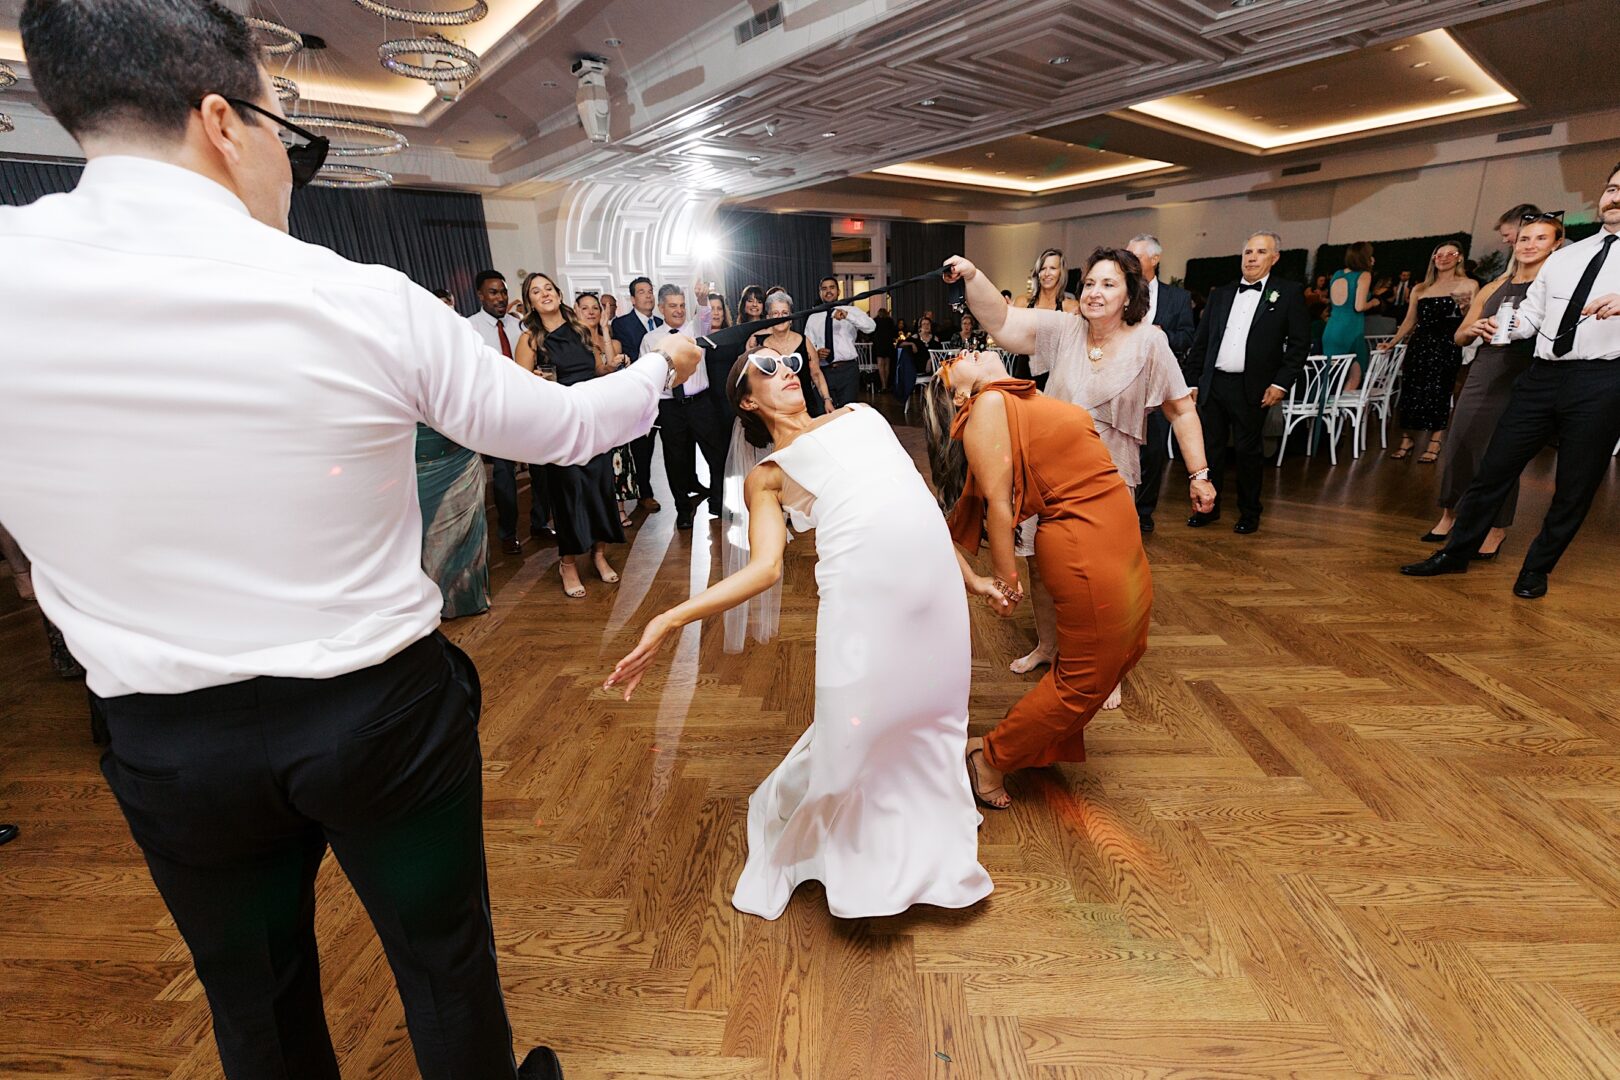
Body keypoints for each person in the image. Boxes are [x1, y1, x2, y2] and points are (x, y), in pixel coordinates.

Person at [0, 2, 702, 1077]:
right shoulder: (352, 297)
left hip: (163, 737)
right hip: (374, 720)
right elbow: (562, 428)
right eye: (291, 133)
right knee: (442, 962)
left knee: (254, 999)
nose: (290, 162)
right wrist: (660, 371)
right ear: (225, 122)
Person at [605, 348, 993, 920]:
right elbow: (763, 569)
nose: (785, 369)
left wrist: (974, 578)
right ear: (745, 400)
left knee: (931, 716)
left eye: (788, 361)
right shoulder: (766, 477)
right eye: (765, 368)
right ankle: (853, 861)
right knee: (853, 735)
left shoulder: (863, 415)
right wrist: (670, 617)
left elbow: (925, 507)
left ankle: (925, 842)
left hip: (933, 591)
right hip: (862, 604)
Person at [958, 248, 1214, 693]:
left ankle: (1103, 670)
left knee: (1102, 580)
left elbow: (1181, 410)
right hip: (1046, 473)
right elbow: (1000, 321)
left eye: (1109, 284)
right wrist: (972, 272)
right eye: (1091, 283)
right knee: (1040, 565)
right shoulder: (1066, 329)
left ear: (1131, 293)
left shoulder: (1150, 341)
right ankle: (1048, 646)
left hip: (1107, 482)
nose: (1095, 293)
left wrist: (1199, 474)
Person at [920, 335, 1153, 810]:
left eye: (961, 353)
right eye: (951, 366)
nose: (959, 355)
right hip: (1083, 541)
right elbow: (999, 508)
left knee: (1129, 647)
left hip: (1115, 531)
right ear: (960, 398)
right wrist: (1008, 582)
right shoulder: (984, 407)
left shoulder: (1014, 396)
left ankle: (1036, 745)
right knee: (1086, 677)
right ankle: (990, 758)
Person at [1403, 162, 1620, 600]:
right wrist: (1501, 325)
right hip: (1542, 375)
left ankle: (1537, 569)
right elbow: (1535, 314)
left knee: (1575, 485)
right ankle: (1456, 553)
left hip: (1602, 379)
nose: (1614, 196)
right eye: (1612, 187)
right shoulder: (1566, 256)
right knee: (1494, 468)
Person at [1422, 212, 1563, 558]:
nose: (1529, 245)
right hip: (1483, 372)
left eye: (1540, 239)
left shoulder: (1556, 288)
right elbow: (1458, 336)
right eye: (1524, 239)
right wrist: (1474, 329)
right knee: (1459, 443)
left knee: (1498, 454)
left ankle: (1496, 529)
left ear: (1557, 245)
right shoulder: (1493, 287)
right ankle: (1449, 514)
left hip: (1522, 376)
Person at [1185, 231, 1311, 534]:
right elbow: (1202, 341)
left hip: (1252, 387)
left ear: (1274, 258)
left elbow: (1299, 344)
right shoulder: (1221, 294)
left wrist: (1280, 384)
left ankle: (1250, 512)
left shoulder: (1288, 293)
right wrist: (1192, 380)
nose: (1252, 258)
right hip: (1214, 384)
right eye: (1248, 252)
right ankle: (1207, 508)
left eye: (1260, 252)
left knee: (1247, 452)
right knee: (1210, 451)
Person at [516, 274, 626, 596]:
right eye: (536, 291)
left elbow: (598, 370)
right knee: (569, 494)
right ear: (531, 302)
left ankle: (600, 555)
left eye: (548, 288)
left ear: (558, 293)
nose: (544, 294)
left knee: (600, 488)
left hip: (592, 421)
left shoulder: (579, 329)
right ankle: (568, 564)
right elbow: (519, 388)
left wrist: (615, 363)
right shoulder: (530, 340)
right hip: (560, 426)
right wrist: (537, 381)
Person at [470, 270, 549, 554]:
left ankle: (539, 524)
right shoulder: (470, 328)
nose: (501, 298)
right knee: (504, 476)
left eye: (503, 292)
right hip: (497, 413)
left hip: (527, 410)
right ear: (480, 295)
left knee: (542, 471)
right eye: (493, 292)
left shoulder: (520, 326)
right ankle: (507, 533)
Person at [1127, 233, 1198, 533]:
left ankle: (1143, 513)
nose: (1127, 261)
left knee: (1152, 450)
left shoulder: (1177, 298)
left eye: (1135, 256)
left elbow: (1188, 337)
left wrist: (1160, 334)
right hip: (1124, 381)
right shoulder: (1120, 292)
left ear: (1154, 259)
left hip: (1157, 383)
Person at [1384, 241, 1477, 463]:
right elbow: (1410, 320)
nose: (1443, 258)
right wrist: (1392, 342)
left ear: (1459, 257)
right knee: (1411, 391)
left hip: (1447, 345)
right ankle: (1407, 439)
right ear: (1433, 259)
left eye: (1449, 254)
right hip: (1420, 345)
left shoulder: (1468, 284)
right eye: (1438, 255)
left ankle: (1435, 442)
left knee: (1440, 392)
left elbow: (1470, 319)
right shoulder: (1420, 288)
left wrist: (1463, 308)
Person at [643, 284, 726, 530]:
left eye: (682, 305)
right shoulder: (650, 339)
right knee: (675, 460)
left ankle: (718, 502)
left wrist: (701, 301)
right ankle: (683, 509)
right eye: (672, 306)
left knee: (717, 454)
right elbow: (647, 377)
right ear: (661, 308)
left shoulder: (695, 328)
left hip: (701, 403)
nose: (678, 310)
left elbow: (705, 317)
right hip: (670, 408)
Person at [577, 291, 639, 529]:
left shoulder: (613, 342)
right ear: (576, 311)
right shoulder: (577, 344)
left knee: (617, 457)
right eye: (586, 308)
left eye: (596, 308)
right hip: (589, 406)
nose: (592, 312)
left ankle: (619, 508)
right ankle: (597, 510)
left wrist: (603, 329)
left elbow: (612, 367)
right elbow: (597, 369)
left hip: (611, 407)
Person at [610, 275, 664, 515]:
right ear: (632, 299)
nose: (648, 295)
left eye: (650, 291)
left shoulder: (663, 323)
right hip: (639, 394)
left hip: (665, 393)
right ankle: (646, 492)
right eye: (642, 292)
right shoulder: (622, 324)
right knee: (643, 447)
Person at [753, 290, 833, 416]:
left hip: (805, 407)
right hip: (775, 411)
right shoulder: (760, 345)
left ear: (791, 318)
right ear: (768, 318)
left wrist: (827, 399)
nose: (781, 317)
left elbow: (816, 374)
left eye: (785, 313)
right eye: (775, 313)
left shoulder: (804, 341)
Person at [803, 275, 876, 408]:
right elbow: (808, 345)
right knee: (825, 413)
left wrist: (848, 316)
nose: (828, 291)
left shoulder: (851, 311)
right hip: (823, 371)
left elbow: (871, 327)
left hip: (848, 370)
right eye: (824, 289)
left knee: (848, 413)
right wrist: (816, 353)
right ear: (820, 293)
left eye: (832, 287)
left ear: (838, 291)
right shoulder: (813, 317)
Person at [1011, 247, 1079, 381]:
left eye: (1053, 268)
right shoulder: (1023, 302)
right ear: (1037, 273)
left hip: (1057, 376)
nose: (1047, 273)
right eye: (1043, 268)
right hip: (1024, 373)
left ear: (1061, 273)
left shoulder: (1071, 307)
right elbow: (1012, 337)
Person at [1322, 241, 1380, 390]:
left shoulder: (1337, 274)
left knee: (1330, 376)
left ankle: (1327, 409)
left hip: (1331, 329)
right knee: (1355, 374)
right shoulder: (1364, 275)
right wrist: (1373, 302)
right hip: (1351, 329)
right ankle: (1340, 412)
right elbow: (1359, 306)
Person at [893, 313, 939, 400]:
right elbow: (900, 344)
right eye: (924, 324)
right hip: (918, 366)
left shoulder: (935, 338)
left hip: (932, 364)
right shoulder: (915, 337)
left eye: (928, 324)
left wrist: (930, 361)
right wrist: (911, 344)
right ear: (920, 327)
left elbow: (939, 354)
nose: (926, 326)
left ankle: (935, 399)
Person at [870, 305, 898, 395]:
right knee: (887, 366)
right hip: (888, 344)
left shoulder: (875, 321)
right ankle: (887, 384)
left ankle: (883, 385)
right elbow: (894, 332)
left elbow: (871, 332)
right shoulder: (890, 321)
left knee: (880, 366)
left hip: (879, 344)